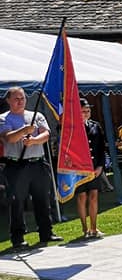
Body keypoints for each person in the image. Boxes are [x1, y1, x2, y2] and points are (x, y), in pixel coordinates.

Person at [0, 87, 61, 249]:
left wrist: (34, 140)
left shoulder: (36, 115)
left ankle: (46, 232)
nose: (20, 101)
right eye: (16, 99)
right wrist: (24, 131)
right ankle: (18, 238)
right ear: (8, 100)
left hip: (38, 163)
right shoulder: (4, 118)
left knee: (43, 199)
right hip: (16, 165)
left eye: (22, 98)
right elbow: (9, 138)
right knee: (17, 201)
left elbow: (45, 134)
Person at [76, 98, 107, 239]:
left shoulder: (95, 126)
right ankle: (85, 229)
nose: (86, 114)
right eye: (83, 111)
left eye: (88, 111)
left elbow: (101, 148)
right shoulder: (72, 127)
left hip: (94, 167)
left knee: (94, 196)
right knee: (82, 197)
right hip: (79, 168)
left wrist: (100, 166)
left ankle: (94, 228)